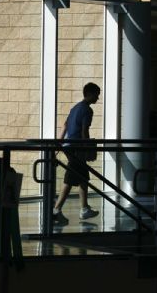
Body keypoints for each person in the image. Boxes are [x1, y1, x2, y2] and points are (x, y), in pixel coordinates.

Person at [53, 82, 101, 226]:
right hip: (77, 147)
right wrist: (87, 148)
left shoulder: (75, 108)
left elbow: (65, 125)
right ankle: (56, 210)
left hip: (69, 146)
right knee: (71, 177)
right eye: (97, 95)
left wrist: (58, 144)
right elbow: (84, 131)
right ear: (90, 94)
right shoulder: (87, 110)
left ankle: (84, 208)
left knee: (82, 176)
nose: (98, 98)